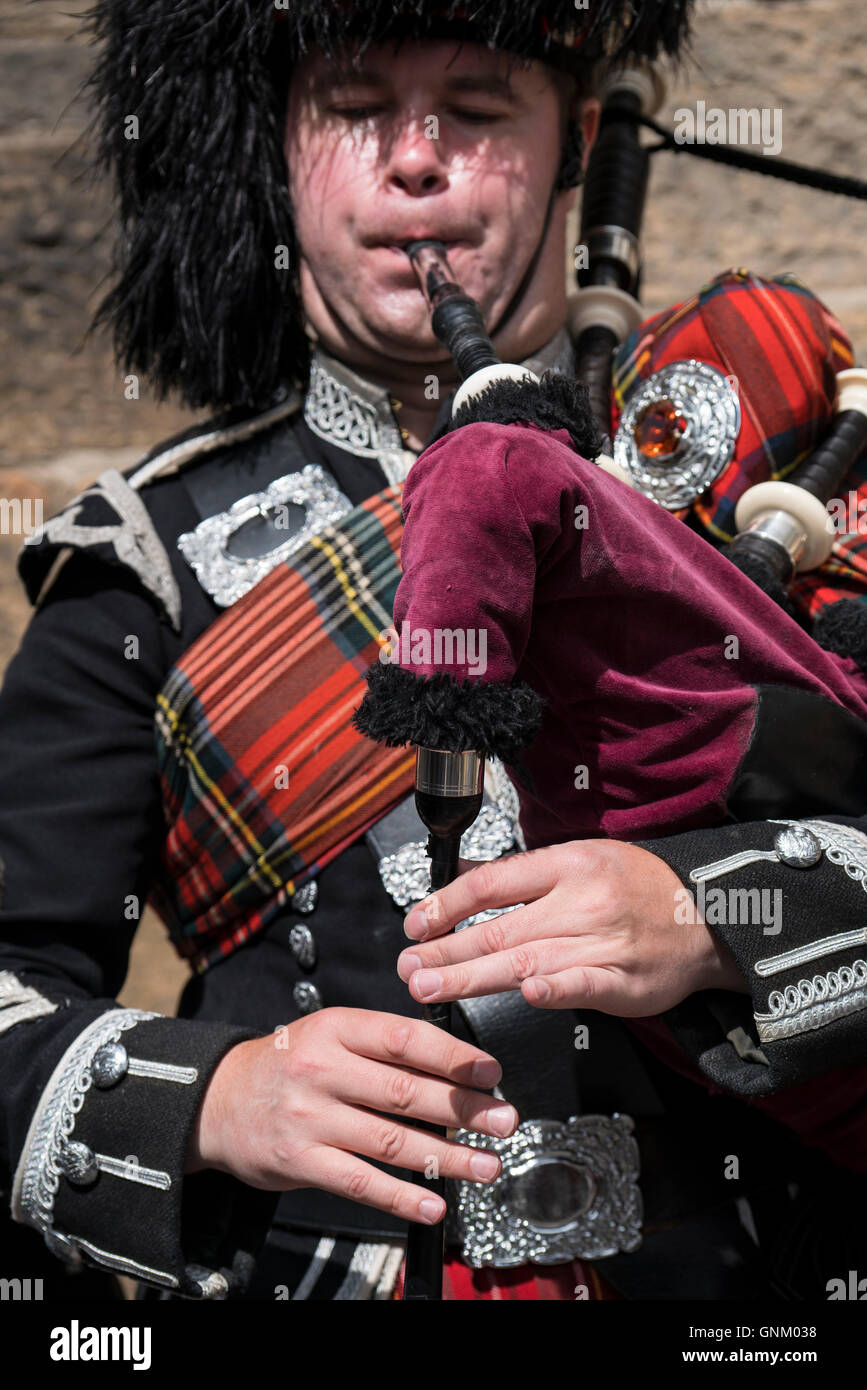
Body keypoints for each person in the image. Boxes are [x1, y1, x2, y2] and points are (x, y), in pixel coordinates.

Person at [0, 0, 864, 1304]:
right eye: (355, 108)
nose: (416, 158)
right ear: (277, 148)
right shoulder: (146, 558)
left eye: (475, 108)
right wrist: (220, 1094)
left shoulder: (781, 467)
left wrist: (715, 917)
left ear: (577, 142)